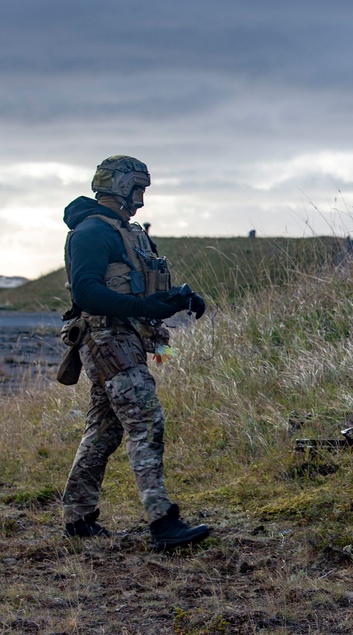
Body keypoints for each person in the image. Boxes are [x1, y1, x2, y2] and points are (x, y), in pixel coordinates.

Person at [60, 155, 211, 551]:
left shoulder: (129, 233)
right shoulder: (92, 233)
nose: (142, 199)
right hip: (107, 340)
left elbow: (139, 286)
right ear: (120, 186)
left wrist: (180, 299)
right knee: (146, 420)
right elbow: (86, 292)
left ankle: (77, 518)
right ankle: (163, 522)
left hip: (127, 339)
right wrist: (147, 308)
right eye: (138, 189)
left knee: (105, 429)